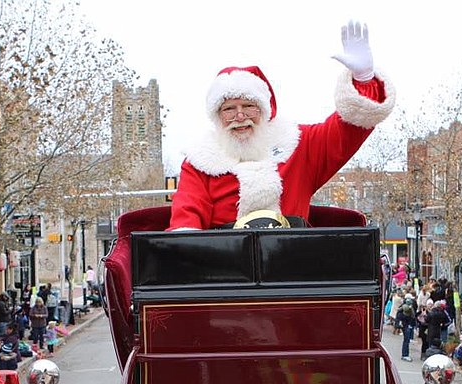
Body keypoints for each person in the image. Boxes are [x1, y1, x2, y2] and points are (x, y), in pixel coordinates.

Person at [167, 21, 394, 231]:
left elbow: (349, 128)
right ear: (217, 116)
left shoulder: (297, 145)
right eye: (229, 109)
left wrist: (363, 80)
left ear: (265, 111)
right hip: (223, 266)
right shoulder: (200, 162)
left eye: (248, 105)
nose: (239, 115)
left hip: (294, 264)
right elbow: (186, 218)